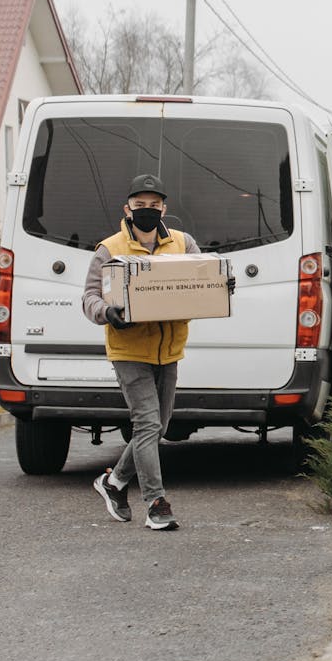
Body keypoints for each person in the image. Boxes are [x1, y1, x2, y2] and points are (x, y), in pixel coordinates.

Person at [82, 173, 198, 531]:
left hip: (169, 350)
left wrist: (222, 284)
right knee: (146, 423)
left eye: (154, 205)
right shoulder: (109, 248)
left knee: (157, 427)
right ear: (128, 208)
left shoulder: (183, 243)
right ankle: (156, 503)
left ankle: (114, 483)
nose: (147, 210)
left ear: (164, 208)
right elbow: (89, 298)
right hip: (129, 350)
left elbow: (203, 278)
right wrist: (107, 314)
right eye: (140, 205)